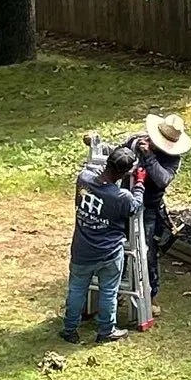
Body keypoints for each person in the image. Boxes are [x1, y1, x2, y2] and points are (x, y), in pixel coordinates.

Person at [62, 144, 140, 344]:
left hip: (82, 251)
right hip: (109, 253)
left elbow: (90, 171)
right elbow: (135, 206)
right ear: (125, 173)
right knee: (108, 292)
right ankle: (106, 331)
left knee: (77, 290)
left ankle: (70, 329)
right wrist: (139, 184)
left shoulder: (83, 179)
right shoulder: (120, 197)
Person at [122, 112, 191, 315]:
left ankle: (150, 295)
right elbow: (118, 157)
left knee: (147, 252)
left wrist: (149, 157)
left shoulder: (172, 159)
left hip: (149, 209)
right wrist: (135, 149)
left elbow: (162, 179)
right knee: (117, 245)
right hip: (124, 201)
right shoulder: (134, 141)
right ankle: (116, 290)